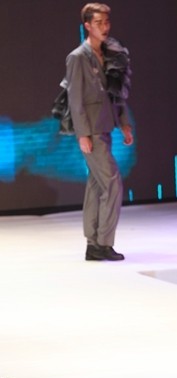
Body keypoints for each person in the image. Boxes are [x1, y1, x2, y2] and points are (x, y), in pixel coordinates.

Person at [66, 3, 133, 261]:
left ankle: (94, 244)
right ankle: (104, 242)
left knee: (96, 186)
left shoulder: (109, 54)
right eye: (98, 23)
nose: (104, 27)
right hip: (91, 131)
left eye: (107, 22)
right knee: (113, 182)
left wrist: (123, 122)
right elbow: (75, 99)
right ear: (87, 26)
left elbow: (115, 92)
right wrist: (82, 134)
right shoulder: (77, 57)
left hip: (105, 126)